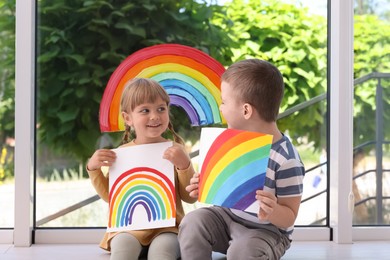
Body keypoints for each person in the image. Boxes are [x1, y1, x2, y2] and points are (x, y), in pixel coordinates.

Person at [178, 59, 305, 260]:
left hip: (267, 232)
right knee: (192, 222)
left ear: (246, 110)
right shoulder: (230, 141)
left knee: (243, 251)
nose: (221, 108)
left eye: (224, 102)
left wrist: (272, 211)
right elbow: (223, 186)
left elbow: (289, 215)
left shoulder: (286, 159)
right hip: (226, 218)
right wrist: (203, 185)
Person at [87, 78, 197, 260]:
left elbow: (189, 198)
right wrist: (93, 169)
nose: (155, 116)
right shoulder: (121, 154)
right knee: (122, 251)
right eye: (145, 110)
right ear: (127, 118)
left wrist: (184, 165)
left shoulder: (175, 151)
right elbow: (111, 196)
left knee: (163, 253)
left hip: (167, 228)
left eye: (161, 109)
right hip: (127, 228)